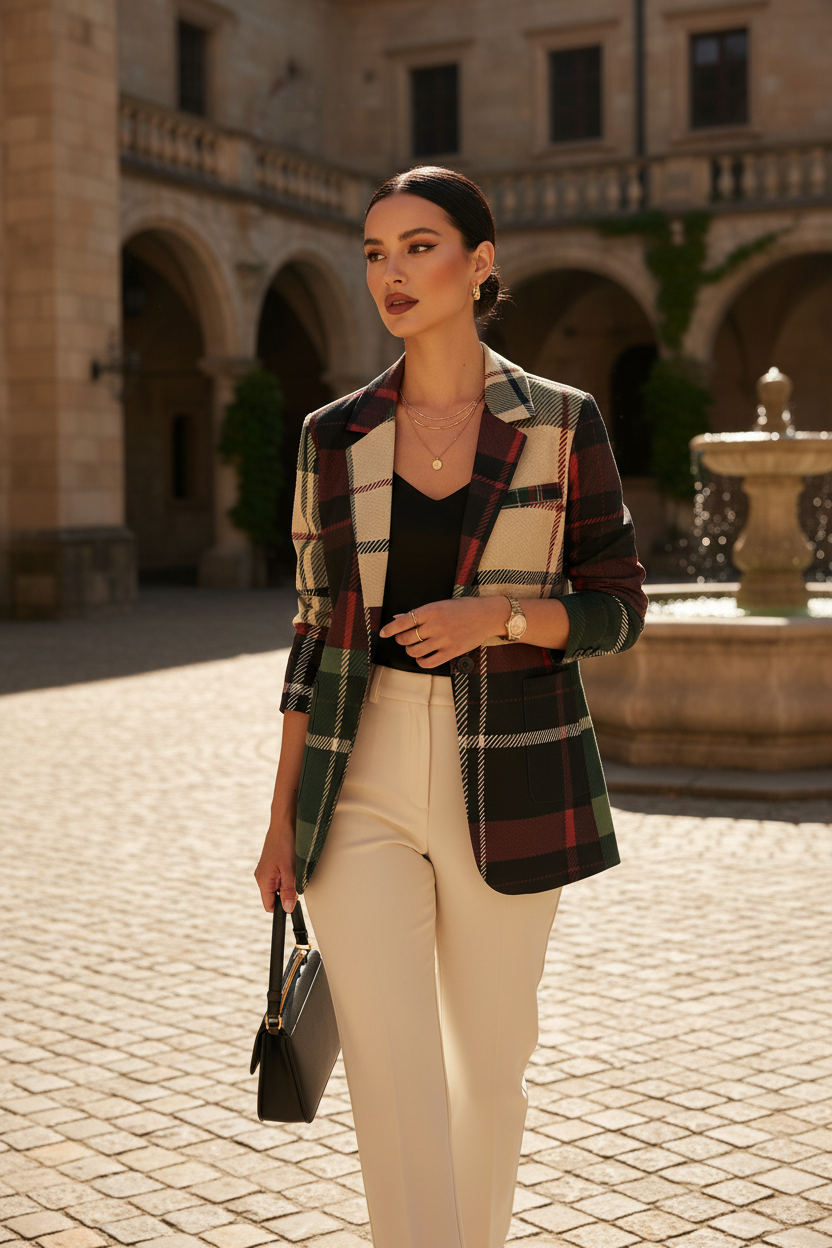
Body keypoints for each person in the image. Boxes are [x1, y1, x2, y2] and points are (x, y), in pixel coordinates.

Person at [255, 165, 648, 1248]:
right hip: (360, 766)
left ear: (480, 264)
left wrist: (499, 618)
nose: (392, 271)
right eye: (375, 251)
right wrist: (284, 812)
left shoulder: (562, 424)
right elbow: (308, 631)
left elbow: (619, 609)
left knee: (490, 1064)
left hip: (515, 770)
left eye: (418, 246)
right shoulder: (331, 436)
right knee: (390, 1071)